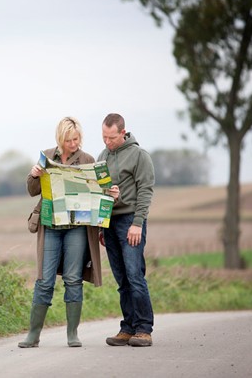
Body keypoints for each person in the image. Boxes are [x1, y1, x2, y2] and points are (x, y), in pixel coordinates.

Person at [18, 116, 119, 348]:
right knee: (44, 280)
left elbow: (101, 192)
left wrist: (111, 194)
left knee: (73, 279)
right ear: (60, 139)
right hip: (50, 226)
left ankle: (72, 334)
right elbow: (33, 190)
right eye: (69, 140)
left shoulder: (88, 160)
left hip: (77, 228)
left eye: (76, 139)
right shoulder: (47, 156)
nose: (73, 144)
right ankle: (33, 335)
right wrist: (34, 175)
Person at [97, 113, 155, 347]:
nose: (107, 142)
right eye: (103, 137)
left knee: (134, 275)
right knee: (121, 279)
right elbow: (99, 190)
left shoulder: (140, 156)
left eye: (111, 138)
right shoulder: (102, 156)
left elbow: (146, 190)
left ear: (123, 132)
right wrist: (101, 225)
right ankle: (128, 327)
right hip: (109, 223)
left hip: (130, 221)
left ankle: (143, 329)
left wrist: (137, 223)